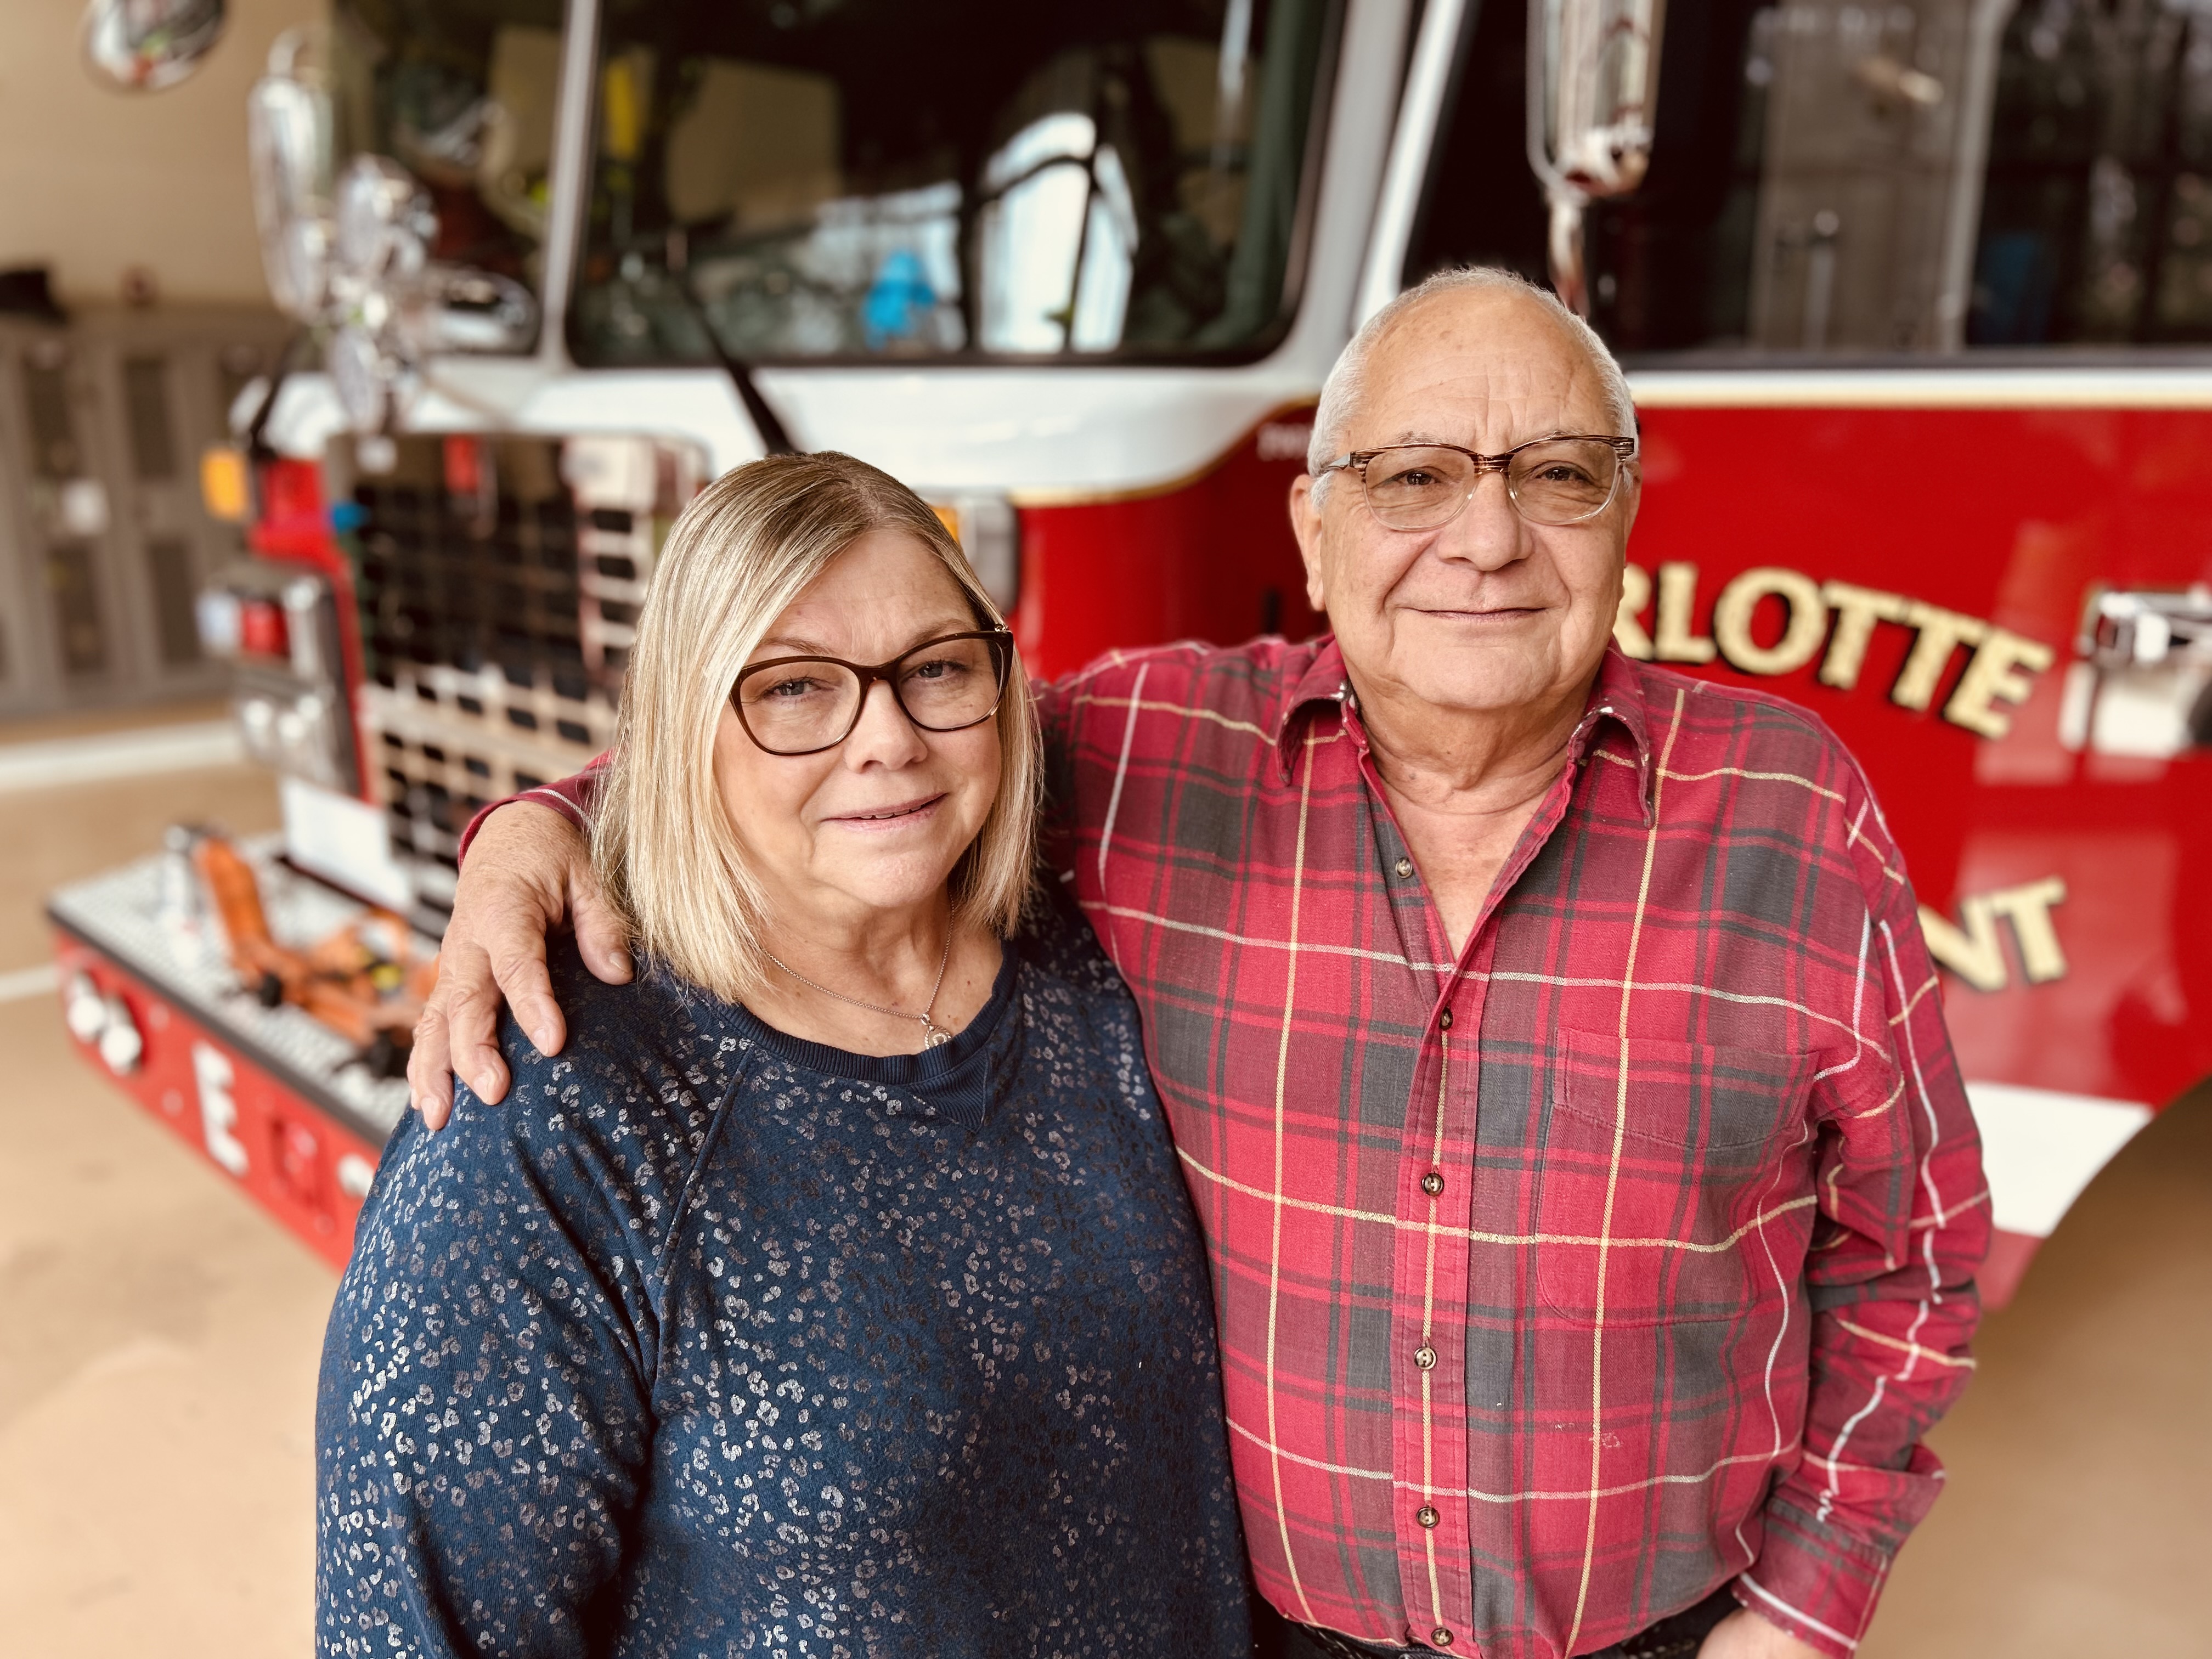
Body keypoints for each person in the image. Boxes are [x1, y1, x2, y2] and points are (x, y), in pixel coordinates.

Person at [412, 268, 1989, 1659]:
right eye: (1416, 475)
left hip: (1673, 1640)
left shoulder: (1791, 807)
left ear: (1626, 512)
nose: (1489, 537)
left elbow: (1914, 1256)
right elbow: (858, 761)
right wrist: (533, 831)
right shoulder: (1156, 750)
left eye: (1557, 475)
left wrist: (1801, 1610)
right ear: (1314, 527)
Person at [317, 453, 1253, 1658]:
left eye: (938, 669)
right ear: (679, 728)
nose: (891, 739)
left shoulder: (1082, 973)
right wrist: (526, 831)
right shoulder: (548, 1123)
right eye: (797, 689)